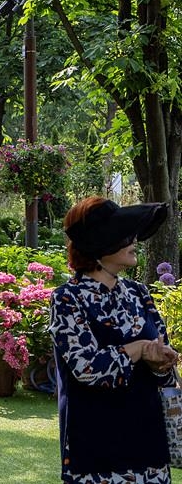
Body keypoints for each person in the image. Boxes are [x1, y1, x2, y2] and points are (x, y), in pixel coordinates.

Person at [52, 196, 178, 482]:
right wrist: (136, 349)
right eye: (123, 234)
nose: (134, 239)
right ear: (98, 246)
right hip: (96, 454)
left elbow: (161, 366)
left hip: (149, 449)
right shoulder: (67, 299)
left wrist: (161, 364)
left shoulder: (139, 294)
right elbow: (86, 369)